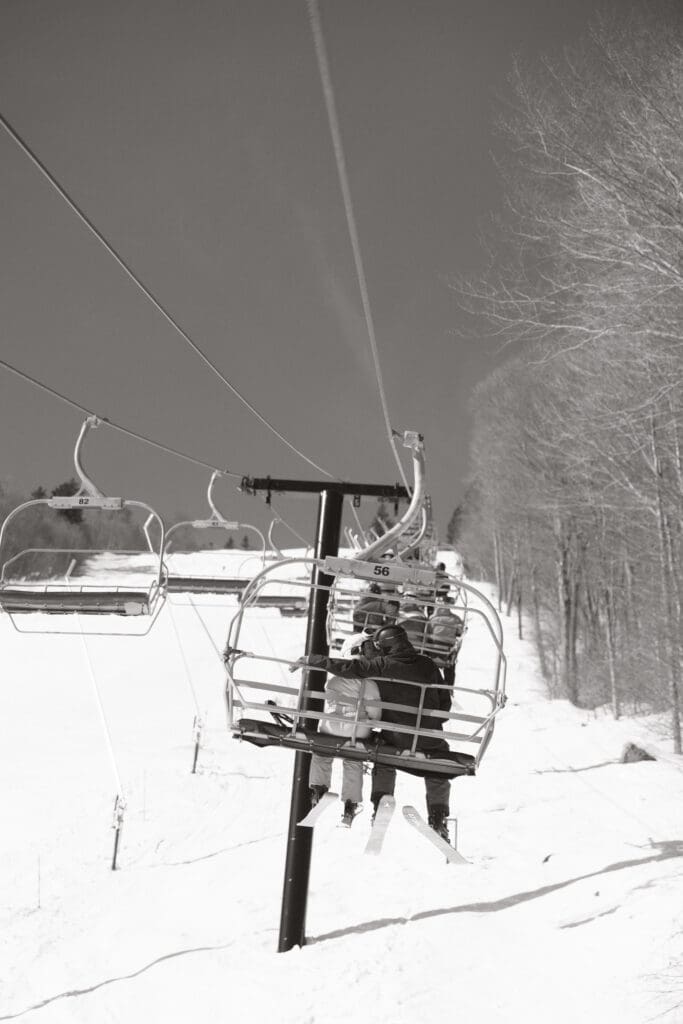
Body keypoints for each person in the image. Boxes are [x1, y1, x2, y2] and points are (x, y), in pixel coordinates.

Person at [295, 623, 453, 841]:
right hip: (428, 736)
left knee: (384, 758)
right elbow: (444, 700)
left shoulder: (383, 665)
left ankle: (381, 804)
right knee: (438, 764)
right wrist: (436, 719)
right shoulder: (428, 665)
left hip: (395, 737)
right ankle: (438, 815)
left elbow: (350, 669)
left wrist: (313, 660)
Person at [308, 635, 381, 826]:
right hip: (356, 731)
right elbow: (376, 714)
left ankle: (318, 788)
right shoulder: (369, 684)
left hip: (329, 727)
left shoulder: (333, 680)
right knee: (353, 759)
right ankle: (350, 803)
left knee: (322, 753)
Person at [426, 600, 464, 688]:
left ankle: (428, 681)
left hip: (433, 651)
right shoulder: (456, 619)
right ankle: (449, 686)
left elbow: (428, 632)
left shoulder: (432, 618)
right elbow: (459, 633)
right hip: (447, 652)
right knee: (451, 664)